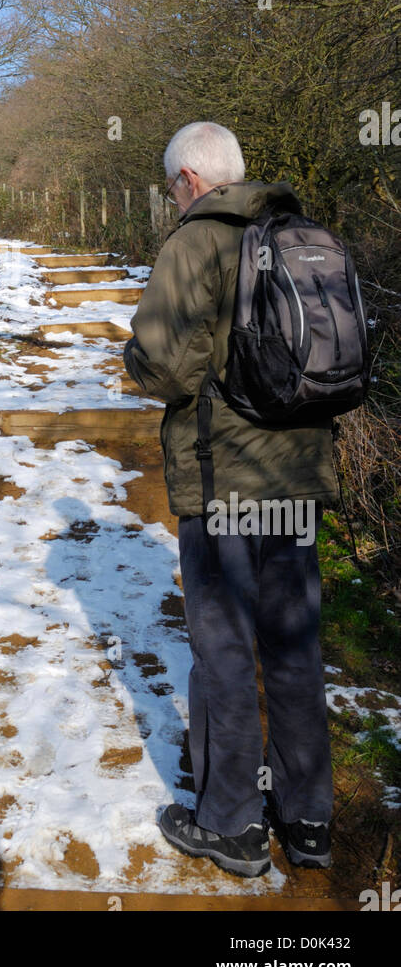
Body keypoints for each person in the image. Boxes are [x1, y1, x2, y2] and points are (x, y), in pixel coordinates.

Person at [122, 121, 338, 878]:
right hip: (297, 479)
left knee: (223, 649)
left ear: (187, 179)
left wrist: (133, 354)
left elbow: (166, 371)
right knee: (293, 645)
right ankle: (308, 819)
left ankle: (232, 826)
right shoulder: (300, 229)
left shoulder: (194, 242)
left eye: (169, 185)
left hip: (223, 482)